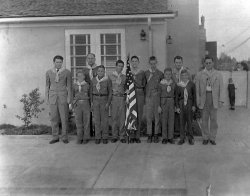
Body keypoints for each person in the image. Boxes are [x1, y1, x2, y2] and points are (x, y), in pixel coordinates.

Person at [195, 56, 224, 145]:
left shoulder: (218, 74)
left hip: (214, 98)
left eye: (210, 63)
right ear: (204, 64)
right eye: (206, 63)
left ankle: (212, 137)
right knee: (204, 119)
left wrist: (221, 100)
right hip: (204, 98)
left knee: (214, 119)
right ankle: (205, 137)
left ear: (213, 63)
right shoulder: (200, 74)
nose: (208, 64)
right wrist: (198, 100)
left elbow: (221, 88)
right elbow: (197, 89)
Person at [45, 55, 72, 144]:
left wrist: (69, 98)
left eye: (60, 62)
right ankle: (55, 136)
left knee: (64, 118)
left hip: (63, 97)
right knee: (53, 118)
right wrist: (47, 98)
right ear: (54, 62)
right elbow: (47, 86)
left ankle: (64, 136)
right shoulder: (49, 72)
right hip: (52, 98)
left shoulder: (67, 72)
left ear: (62, 63)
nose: (58, 64)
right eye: (57, 62)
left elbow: (69, 86)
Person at [91, 65, 112, 144]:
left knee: (104, 120)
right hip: (95, 99)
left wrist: (108, 103)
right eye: (99, 71)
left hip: (104, 100)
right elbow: (90, 92)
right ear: (97, 72)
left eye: (102, 71)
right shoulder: (93, 80)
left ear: (104, 72)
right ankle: (97, 136)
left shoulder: (107, 80)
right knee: (96, 120)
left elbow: (110, 92)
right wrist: (92, 103)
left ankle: (105, 136)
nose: (100, 72)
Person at [145, 56, 164, 143]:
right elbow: (143, 85)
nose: (153, 65)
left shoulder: (160, 73)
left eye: (154, 63)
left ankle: (156, 134)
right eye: (151, 64)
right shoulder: (146, 73)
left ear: (157, 62)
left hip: (156, 96)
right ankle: (149, 134)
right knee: (149, 116)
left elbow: (162, 87)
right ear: (149, 63)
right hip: (148, 97)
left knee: (157, 117)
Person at [176, 69, 196, 145]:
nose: (184, 77)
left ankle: (190, 138)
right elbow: (177, 97)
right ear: (180, 76)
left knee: (190, 122)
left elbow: (194, 96)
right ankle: (182, 138)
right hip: (181, 104)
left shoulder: (191, 84)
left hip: (189, 103)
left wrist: (194, 105)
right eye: (182, 75)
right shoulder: (178, 85)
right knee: (181, 122)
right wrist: (177, 107)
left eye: (185, 75)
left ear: (188, 76)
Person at [172, 56, 190, 139]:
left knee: (185, 115)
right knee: (176, 114)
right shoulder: (172, 72)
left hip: (184, 97)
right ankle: (177, 132)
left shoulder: (186, 71)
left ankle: (185, 132)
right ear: (174, 63)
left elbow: (190, 84)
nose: (178, 64)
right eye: (176, 62)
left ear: (182, 63)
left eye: (179, 62)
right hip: (175, 96)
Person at [129, 56, 146, 143]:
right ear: (131, 63)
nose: (134, 63)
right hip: (132, 94)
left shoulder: (142, 73)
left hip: (139, 94)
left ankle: (137, 136)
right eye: (133, 61)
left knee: (139, 115)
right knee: (132, 115)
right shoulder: (128, 73)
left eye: (136, 61)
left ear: (138, 62)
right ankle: (132, 136)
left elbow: (144, 85)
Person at [109, 60, 126, 143]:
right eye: (119, 66)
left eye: (122, 66)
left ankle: (122, 136)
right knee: (114, 118)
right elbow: (109, 89)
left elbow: (126, 88)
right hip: (114, 98)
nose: (120, 68)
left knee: (122, 118)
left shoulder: (124, 77)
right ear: (116, 66)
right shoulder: (111, 76)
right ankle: (114, 135)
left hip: (122, 98)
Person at [158, 68, 176, 144]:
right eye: (166, 74)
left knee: (171, 120)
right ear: (164, 75)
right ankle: (164, 137)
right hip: (163, 102)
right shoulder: (160, 84)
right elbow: (158, 95)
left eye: (169, 74)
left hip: (171, 102)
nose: (168, 76)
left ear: (171, 75)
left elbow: (176, 95)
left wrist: (176, 105)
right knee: (164, 120)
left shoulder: (173, 83)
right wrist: (159, 106)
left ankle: (170, 137)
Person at [72, 71, 91, 144]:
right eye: (78, 76)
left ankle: (86, 137)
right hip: (77, 104)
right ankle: (80, 137)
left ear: (84, 77)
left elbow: (90, 95)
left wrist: (91, 104)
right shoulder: (74, 85)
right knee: (78, 121)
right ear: (76, 77)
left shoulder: (87, 85)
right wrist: (73, 104)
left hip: (86, 103)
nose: (80, 77)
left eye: (81, 76)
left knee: (86, 121)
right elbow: (73, 95)